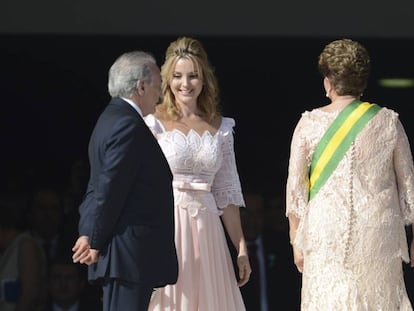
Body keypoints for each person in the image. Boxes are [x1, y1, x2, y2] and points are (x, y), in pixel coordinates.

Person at [286, 38, 414, 310]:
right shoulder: (389, 122)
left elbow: (296, 191)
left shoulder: (309, 124)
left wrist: (295, 240)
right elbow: (409, 187)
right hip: (378, 237)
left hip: (326, 238)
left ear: (328, 81)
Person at [144, 36, 250, 310]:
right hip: (168, 226)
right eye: (178, 76)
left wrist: (240, 248)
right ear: (168, 79)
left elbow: (226, 191)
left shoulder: (221, 127)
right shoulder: (152, 122)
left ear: (204, 79)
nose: (185, 83)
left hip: (208, 231)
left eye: (193, 76)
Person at [71, 50, 178, 311]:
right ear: (141, 86)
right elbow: (110, 189)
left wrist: (87, 232)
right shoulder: (128, 125)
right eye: (157, 86)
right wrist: (95, 240)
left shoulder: (108, 120)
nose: (161, 95)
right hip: (127, 256)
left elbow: (95, 187)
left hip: (122, 256)